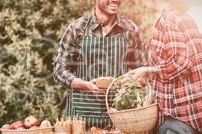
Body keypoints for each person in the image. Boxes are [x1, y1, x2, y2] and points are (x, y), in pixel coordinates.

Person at [127, 0, 202, 133]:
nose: (142, 3)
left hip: (178, 117)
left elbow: (182, 63)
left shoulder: (168, 20)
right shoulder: (184, 17)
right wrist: (148, 73)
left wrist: (149, 69)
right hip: (195, 113)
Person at [53, 0, 146, 130]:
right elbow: (59, 71)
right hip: (81, 117)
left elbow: (143, 73)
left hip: (119, 116)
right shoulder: (77, 28)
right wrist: (85, 85)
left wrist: (126, 83)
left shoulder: (131, 30)